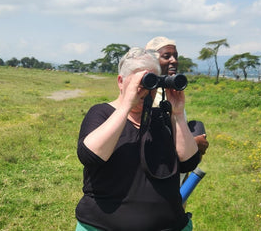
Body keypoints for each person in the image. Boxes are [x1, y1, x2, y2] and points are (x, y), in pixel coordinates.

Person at [75, 47, 200, 231]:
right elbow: (90, 156)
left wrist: (178, 114)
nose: (146, 88)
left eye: (152, 81)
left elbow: (189, 162)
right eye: (141, 81)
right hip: (102, 226)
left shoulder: (163, 118)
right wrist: (126, 105)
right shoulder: (102, 113)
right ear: (120, 81)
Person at [145, 36, 209, 159]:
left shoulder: (171, 92)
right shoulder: (146, 96)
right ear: (151, 60)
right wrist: (194, 144)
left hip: (179, 164)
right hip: (162, 163)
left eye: (175, 56)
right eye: (166, 56)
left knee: (196, 125)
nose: (174, 61)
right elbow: (151, 142)